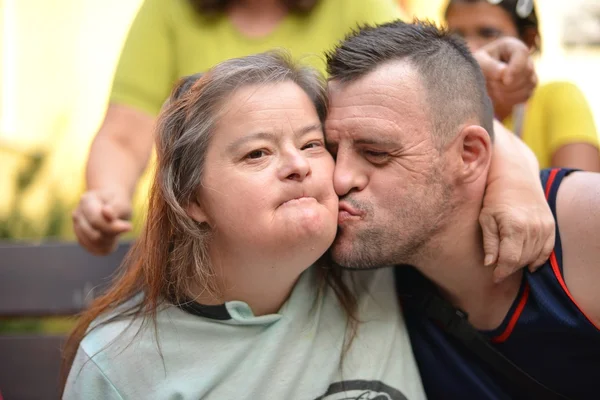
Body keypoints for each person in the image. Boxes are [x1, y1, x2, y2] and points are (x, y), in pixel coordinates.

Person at [61, 51, 427, 400]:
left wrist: (489, 173)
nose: (298, 164)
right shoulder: (119, 361)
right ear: (192, 199)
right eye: (257, 153)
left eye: (312, 144)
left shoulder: (379, 269)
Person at [72, 0, 539, 257]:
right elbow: (125, 132)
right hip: (209, 255)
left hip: (328, 254)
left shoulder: (353, 3)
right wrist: (106, 195)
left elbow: (434, 95)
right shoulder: (167, 12)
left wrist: (515, 181)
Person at [325, 20, 600, 399]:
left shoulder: (585, 224)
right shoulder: (369, 253)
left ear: (470, 155)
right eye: (329, 151)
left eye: (376, 153)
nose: (339, 180)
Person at [444, 0, 600, 171]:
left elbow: (582, 190)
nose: (470, 48)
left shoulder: (559, 97)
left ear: (527, 40)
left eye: (488, 33)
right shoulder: (442, 105)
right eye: (456, 35)